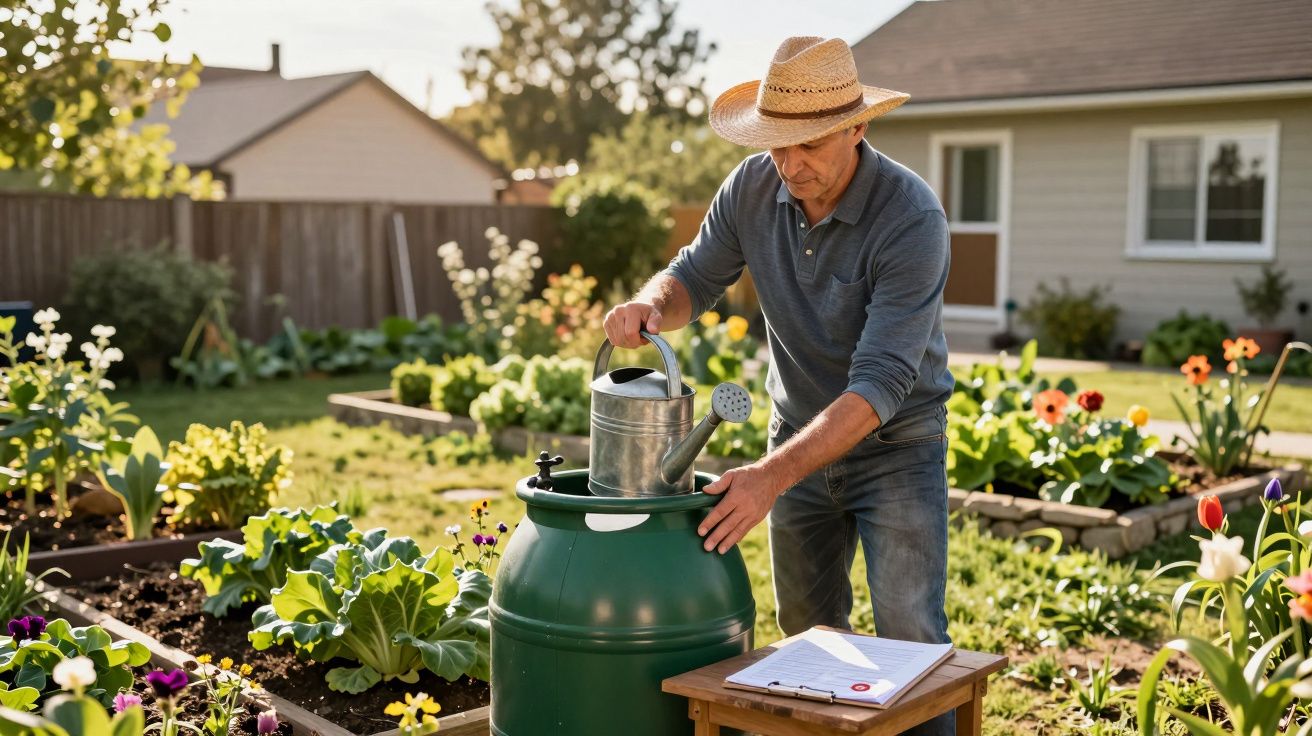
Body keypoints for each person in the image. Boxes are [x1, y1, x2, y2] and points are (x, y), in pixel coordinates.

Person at [602, 36, 956, 735]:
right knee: (809, 633)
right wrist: (650, 303)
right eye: (777, 146)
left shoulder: (910, 218)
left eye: (810, 146)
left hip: (896, 446)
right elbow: (695, 277)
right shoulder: (754, 186)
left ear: (858, 128)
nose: (790, 166)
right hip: (794, 432)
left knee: (910, 638)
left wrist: (767, 478)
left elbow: (882, 381)